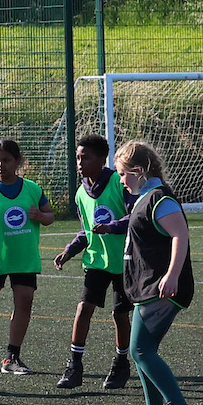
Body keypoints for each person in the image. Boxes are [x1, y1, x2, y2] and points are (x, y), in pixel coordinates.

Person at [108, 139, 197, 405]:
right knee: (142, 350)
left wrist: (171, 275)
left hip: (163, 287)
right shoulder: (144, 199)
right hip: (147, 287)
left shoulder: (160, 198)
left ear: (140, 170)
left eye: (123, 173)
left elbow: (179, 235)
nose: (121, 181)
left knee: (141, 349)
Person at [0, 138, 58, 374]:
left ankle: (11, 357)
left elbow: (50, 217)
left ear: (17, 161)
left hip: (23, 258)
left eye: (6, 160)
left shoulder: (33, 189)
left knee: (24, 302)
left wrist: (39, 215)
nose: (0, 165)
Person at [50, 133, 135, 391]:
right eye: (77, 157)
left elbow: (135, 217)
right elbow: (86, 230)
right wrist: (69, 251)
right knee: (83, 309)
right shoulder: (80, 194)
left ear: (102, 159)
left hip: (124, 262)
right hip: (96, 261)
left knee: (120, 315)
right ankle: (75, 366)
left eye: (85, 157)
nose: (79, 162)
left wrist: (111, 227)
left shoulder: (119, 184)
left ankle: (121, 363)